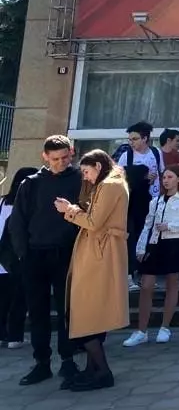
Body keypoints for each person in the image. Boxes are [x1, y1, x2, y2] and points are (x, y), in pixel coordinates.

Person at [9, 135, 82, 386]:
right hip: (35, 255)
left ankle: (68, 360)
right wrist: (23, 253)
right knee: (37, 311)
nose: (61, 163)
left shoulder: (80, 180)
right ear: (45, 157)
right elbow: (17, 221)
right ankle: (41, 362)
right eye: (55, 159)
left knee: (67, 310)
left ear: (71, 154)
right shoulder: (31, 183)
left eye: (64, 157)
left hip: (67, 253)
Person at [53, 150, 129, 392]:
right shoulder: (112, 183)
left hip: (100, 253)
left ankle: (103, 372)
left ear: (98, 166)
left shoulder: (109, 185)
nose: (85, 177)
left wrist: (69, 210)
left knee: (87, 313)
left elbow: (94, 223)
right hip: (99, 251)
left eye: (86, 172)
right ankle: (92, 369)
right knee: (89, 315)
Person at [123, 165, 179, 347]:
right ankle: (141, 330)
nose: (166, 180)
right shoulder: (156, 201)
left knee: (172, 284)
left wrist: (170, 226)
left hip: (175, 244)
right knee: (146, 286)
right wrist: (141, 248)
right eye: (164, 177)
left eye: (170, 177)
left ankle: (165, 327)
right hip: (155, 244)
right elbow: (148, 225)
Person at [116, 122, 162, 291]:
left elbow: (161, 172)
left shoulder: (155, 153)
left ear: (145, 138)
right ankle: (129, 274)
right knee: (131, 236)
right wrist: (141, 176)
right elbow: (118, 178)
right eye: (130, 139)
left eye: (135, 139)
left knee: (148, 236)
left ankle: (145, 274)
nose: (131, 142)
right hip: (132, 201)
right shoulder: (126, 156)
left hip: (152, 199)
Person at [0, 167, 34, 351]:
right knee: (19, 299)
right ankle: (15, 336)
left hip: (2, 258)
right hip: (17, 259)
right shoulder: (26, 205)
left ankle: (2, 335)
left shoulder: (2, 201)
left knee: (3, 300)